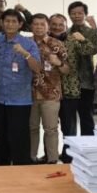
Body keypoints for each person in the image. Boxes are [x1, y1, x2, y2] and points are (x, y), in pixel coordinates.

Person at [0, 9, 41, 165]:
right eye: (7, 21)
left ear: (20, 24)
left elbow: (37, 68)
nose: (10, 24)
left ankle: (21, 165)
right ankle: (3, 162)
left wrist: (25, 54)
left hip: (20, 98)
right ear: (1, 23)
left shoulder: (28, 43)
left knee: (19, 135)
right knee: (2, 133)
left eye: (14, 21)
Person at [48, 14, 96, 163]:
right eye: (54, 24)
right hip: (48, 89)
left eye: (60, 24)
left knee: (69, 125)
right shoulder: (44, 40)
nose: (57, 27)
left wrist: (84, 38)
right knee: (50, 126)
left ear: (65, 25)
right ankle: (50, 155)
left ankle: (69, 154)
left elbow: (90, 50)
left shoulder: (73, 39)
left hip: (70, 88)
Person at [30, 14, 68, 164]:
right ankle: (31, 158)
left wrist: (58, 62)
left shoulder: (56, 44)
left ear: (47, 26)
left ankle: (52, 160)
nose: (39, 27)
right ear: (31, 26)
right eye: (36, 24)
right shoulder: (26, 44)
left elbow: (67, 69)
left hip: (51, 94)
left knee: (51, 129)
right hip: (29, 94)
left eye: (42, 24)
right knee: (32, 128)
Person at [67, 1, 97, 135]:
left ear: (85, 14)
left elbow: (94, 50)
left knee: (86, 117)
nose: (76, 16)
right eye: (73, 13)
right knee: (69, 119)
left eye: (80, 13)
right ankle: (69, 151)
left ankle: (89, 148)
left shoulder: (91, 31)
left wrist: (93, 30)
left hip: (86, 81)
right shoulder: (66, 32)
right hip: (68, 81)